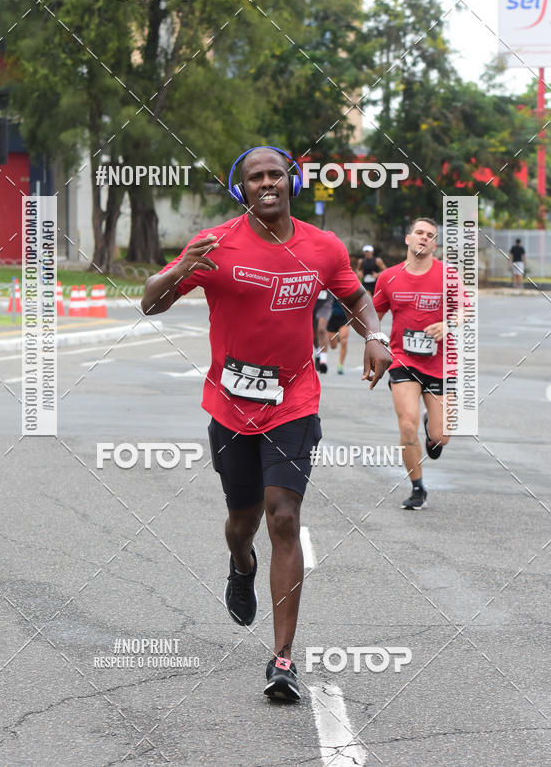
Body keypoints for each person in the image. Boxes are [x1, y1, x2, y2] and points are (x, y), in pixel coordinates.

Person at [141, 146, 391, 701]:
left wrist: (374, 336)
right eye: (255, 177)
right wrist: (182, 269)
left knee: (284, 517)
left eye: (276, 174)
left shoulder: (323, 247)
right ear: (242, 189)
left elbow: (356, 298)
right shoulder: (214, 243)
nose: (267, 183)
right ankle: (240, 561)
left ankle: (282, 659)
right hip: (231, 407)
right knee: (242, 521)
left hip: (294, 401)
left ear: (291, 181)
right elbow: (148, 304)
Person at [373, 217, 468, 511]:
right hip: (403, 361)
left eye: (430, 235)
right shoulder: (388, 277)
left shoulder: (448, 275)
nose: (423, 238)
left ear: (435, 243)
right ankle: (417, 487)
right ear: (408, 238)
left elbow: (465, 309)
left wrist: (448, 323)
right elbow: (371, 315)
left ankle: (432, 429)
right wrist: (370, 344)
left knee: (441, 437)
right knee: (406, 424)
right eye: (419, 233)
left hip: (440, 364)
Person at [327, 297, 351, 374]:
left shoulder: (346, 286)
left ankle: (340, 365)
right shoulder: (328, 288)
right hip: (330, 317)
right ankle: (338, 337)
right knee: (333, 346)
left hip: (344, 317)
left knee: (344, 340)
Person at [313, 290, 334, 373]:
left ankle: (323, 361)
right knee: (313, 332)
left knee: (321, 329)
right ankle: (318, 351)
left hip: (326, 300)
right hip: (311, 299)